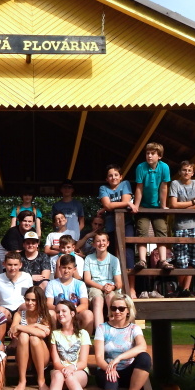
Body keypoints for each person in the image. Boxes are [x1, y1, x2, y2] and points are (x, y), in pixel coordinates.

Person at [93, 294, 151, 390]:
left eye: (121, 308)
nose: (117, 311)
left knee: (145, 358)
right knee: (111, 379)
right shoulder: (102, 328)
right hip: (106, 369)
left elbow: (142, 346)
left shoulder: (134, 328)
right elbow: (98, 357)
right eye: (114, 308)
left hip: (126, 369)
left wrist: (119, 358)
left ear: (128, 310)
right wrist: (109, 367)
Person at [42, 300, 97, 390]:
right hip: (59, 371)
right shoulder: (55, 334)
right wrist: (64, 369)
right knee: (59, 376)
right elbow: (55, 362)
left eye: (64, 311)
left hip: (78, 371)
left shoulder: (83, 334)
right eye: (58, 312)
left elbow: (83, 362)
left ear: (72, 313)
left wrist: (72, 368)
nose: (60, 314)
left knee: (71, 378)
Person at [168, 160, 195, 297]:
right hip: (180, 226)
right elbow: (173, 204)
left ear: (193, 173)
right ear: (180, 172)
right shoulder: (175, 184)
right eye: (184, 170)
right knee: (181, 259)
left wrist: (183, 206)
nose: (186, 172)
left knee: (194, 259)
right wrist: (193, 202)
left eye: (189, 170)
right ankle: (180, 287)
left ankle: (185, 288)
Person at [99, 163, 136, 298]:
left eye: (116, 175)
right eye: (110, 175)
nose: (113, 177)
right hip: (111, 227)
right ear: (106, 179)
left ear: (121, 177)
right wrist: (127, 203)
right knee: (114, 258)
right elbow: (108, 206)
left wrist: (111, 205)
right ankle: (116, 288)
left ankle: (131, 289)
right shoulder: (103, 188)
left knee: (129, 256)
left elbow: (113, 203)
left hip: (126, 225)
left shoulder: (125, 184)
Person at [133, 142, 171, 272]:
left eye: (152, 153)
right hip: (144, 205)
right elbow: (139, 187)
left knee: (161, 230)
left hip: (157, 206)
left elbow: (164, 187)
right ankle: (142, 260)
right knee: (142, 230)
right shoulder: (141, 167)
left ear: (159, 156)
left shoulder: (164, 167)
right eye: (147, 153)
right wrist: (136, 206)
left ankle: (163, 260)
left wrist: (163, 206)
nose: (149, 156)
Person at [9, 285, 52, 390]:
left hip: (42, 356)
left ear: (40, 301)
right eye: (27, 299)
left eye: (34, 300)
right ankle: (22, 380)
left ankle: (41, 380)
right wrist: (36, 326)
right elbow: (13, 331)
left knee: (34, 338)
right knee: (23, 336)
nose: (30, 303)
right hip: (24, 357)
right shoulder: (19, 314)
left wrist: (20, 327)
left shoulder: (44, 315)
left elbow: (42, 334)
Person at [83, 231, 122, 332]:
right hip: (95, 286)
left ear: (108, 243)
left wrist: (112, 287)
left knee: (111, 297)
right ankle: (100, 332)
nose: (101, 243)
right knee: (98, 300)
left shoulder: (114, 260)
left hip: (110, 287)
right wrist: (102, 287)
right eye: (98, 241)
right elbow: (87, 279)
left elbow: (119, 282)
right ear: (94, 244)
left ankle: (114, 329)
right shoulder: (89, 259)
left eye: (104, 241)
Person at [45, 253, 94, 334]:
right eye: (64, 267)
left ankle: (84, 340)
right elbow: (48, 304)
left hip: (75, 313)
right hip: (58, 313)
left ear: (74, 269)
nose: (66, 271)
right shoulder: (52, 284)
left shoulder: (80, 284)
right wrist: (62, 311)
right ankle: (54, 339)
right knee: (51, 313)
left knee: (88, 314)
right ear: (59, 268)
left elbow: (85, 304)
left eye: (69, 268)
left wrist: (70, 312)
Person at [0, 251, 33, 319]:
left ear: (20, 265)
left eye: (15, 265)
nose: (12, 268)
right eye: (10, 265)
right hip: (5, 308)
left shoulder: (27, 277)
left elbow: (32, 296)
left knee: (28, 307)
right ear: (4, 264)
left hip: (21, 307)